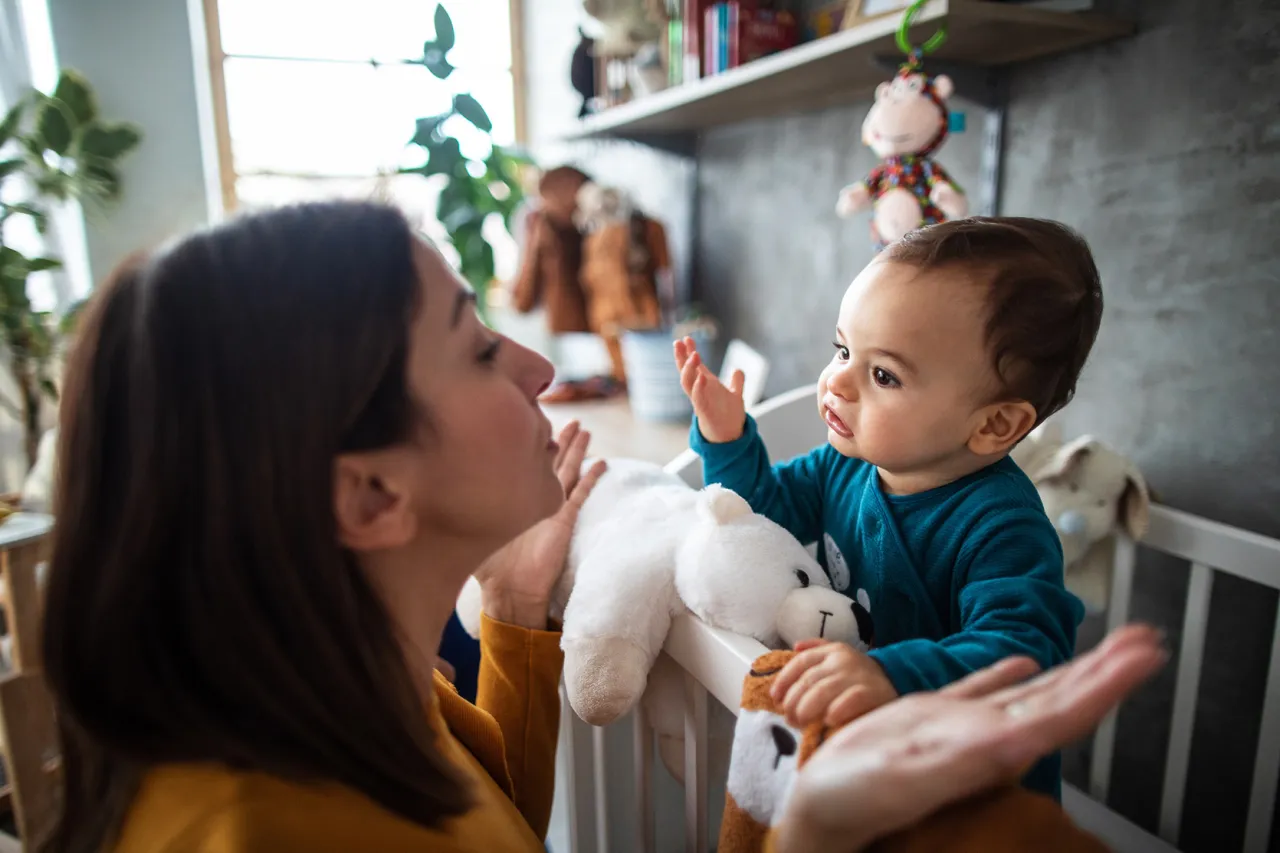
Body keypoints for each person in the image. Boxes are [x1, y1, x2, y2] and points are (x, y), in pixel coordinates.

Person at [37, 202, 1160, 853]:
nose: (539, 366)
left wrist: (519, 617)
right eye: (479, 346)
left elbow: (494, 826)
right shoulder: (265, 827)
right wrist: (804, 833)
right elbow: (754, 509)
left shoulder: (377, 696)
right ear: (371, 496)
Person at [675, 217, 1105, 801]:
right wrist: (727, 441)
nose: (838, 382)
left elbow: (1025, 652)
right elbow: (760, 518)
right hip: (874, 770)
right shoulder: (843, 467)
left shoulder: (1003, 526)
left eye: (883, 374)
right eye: (842, 349)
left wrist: (892, 673)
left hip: (975, 798)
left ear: (994, 424)